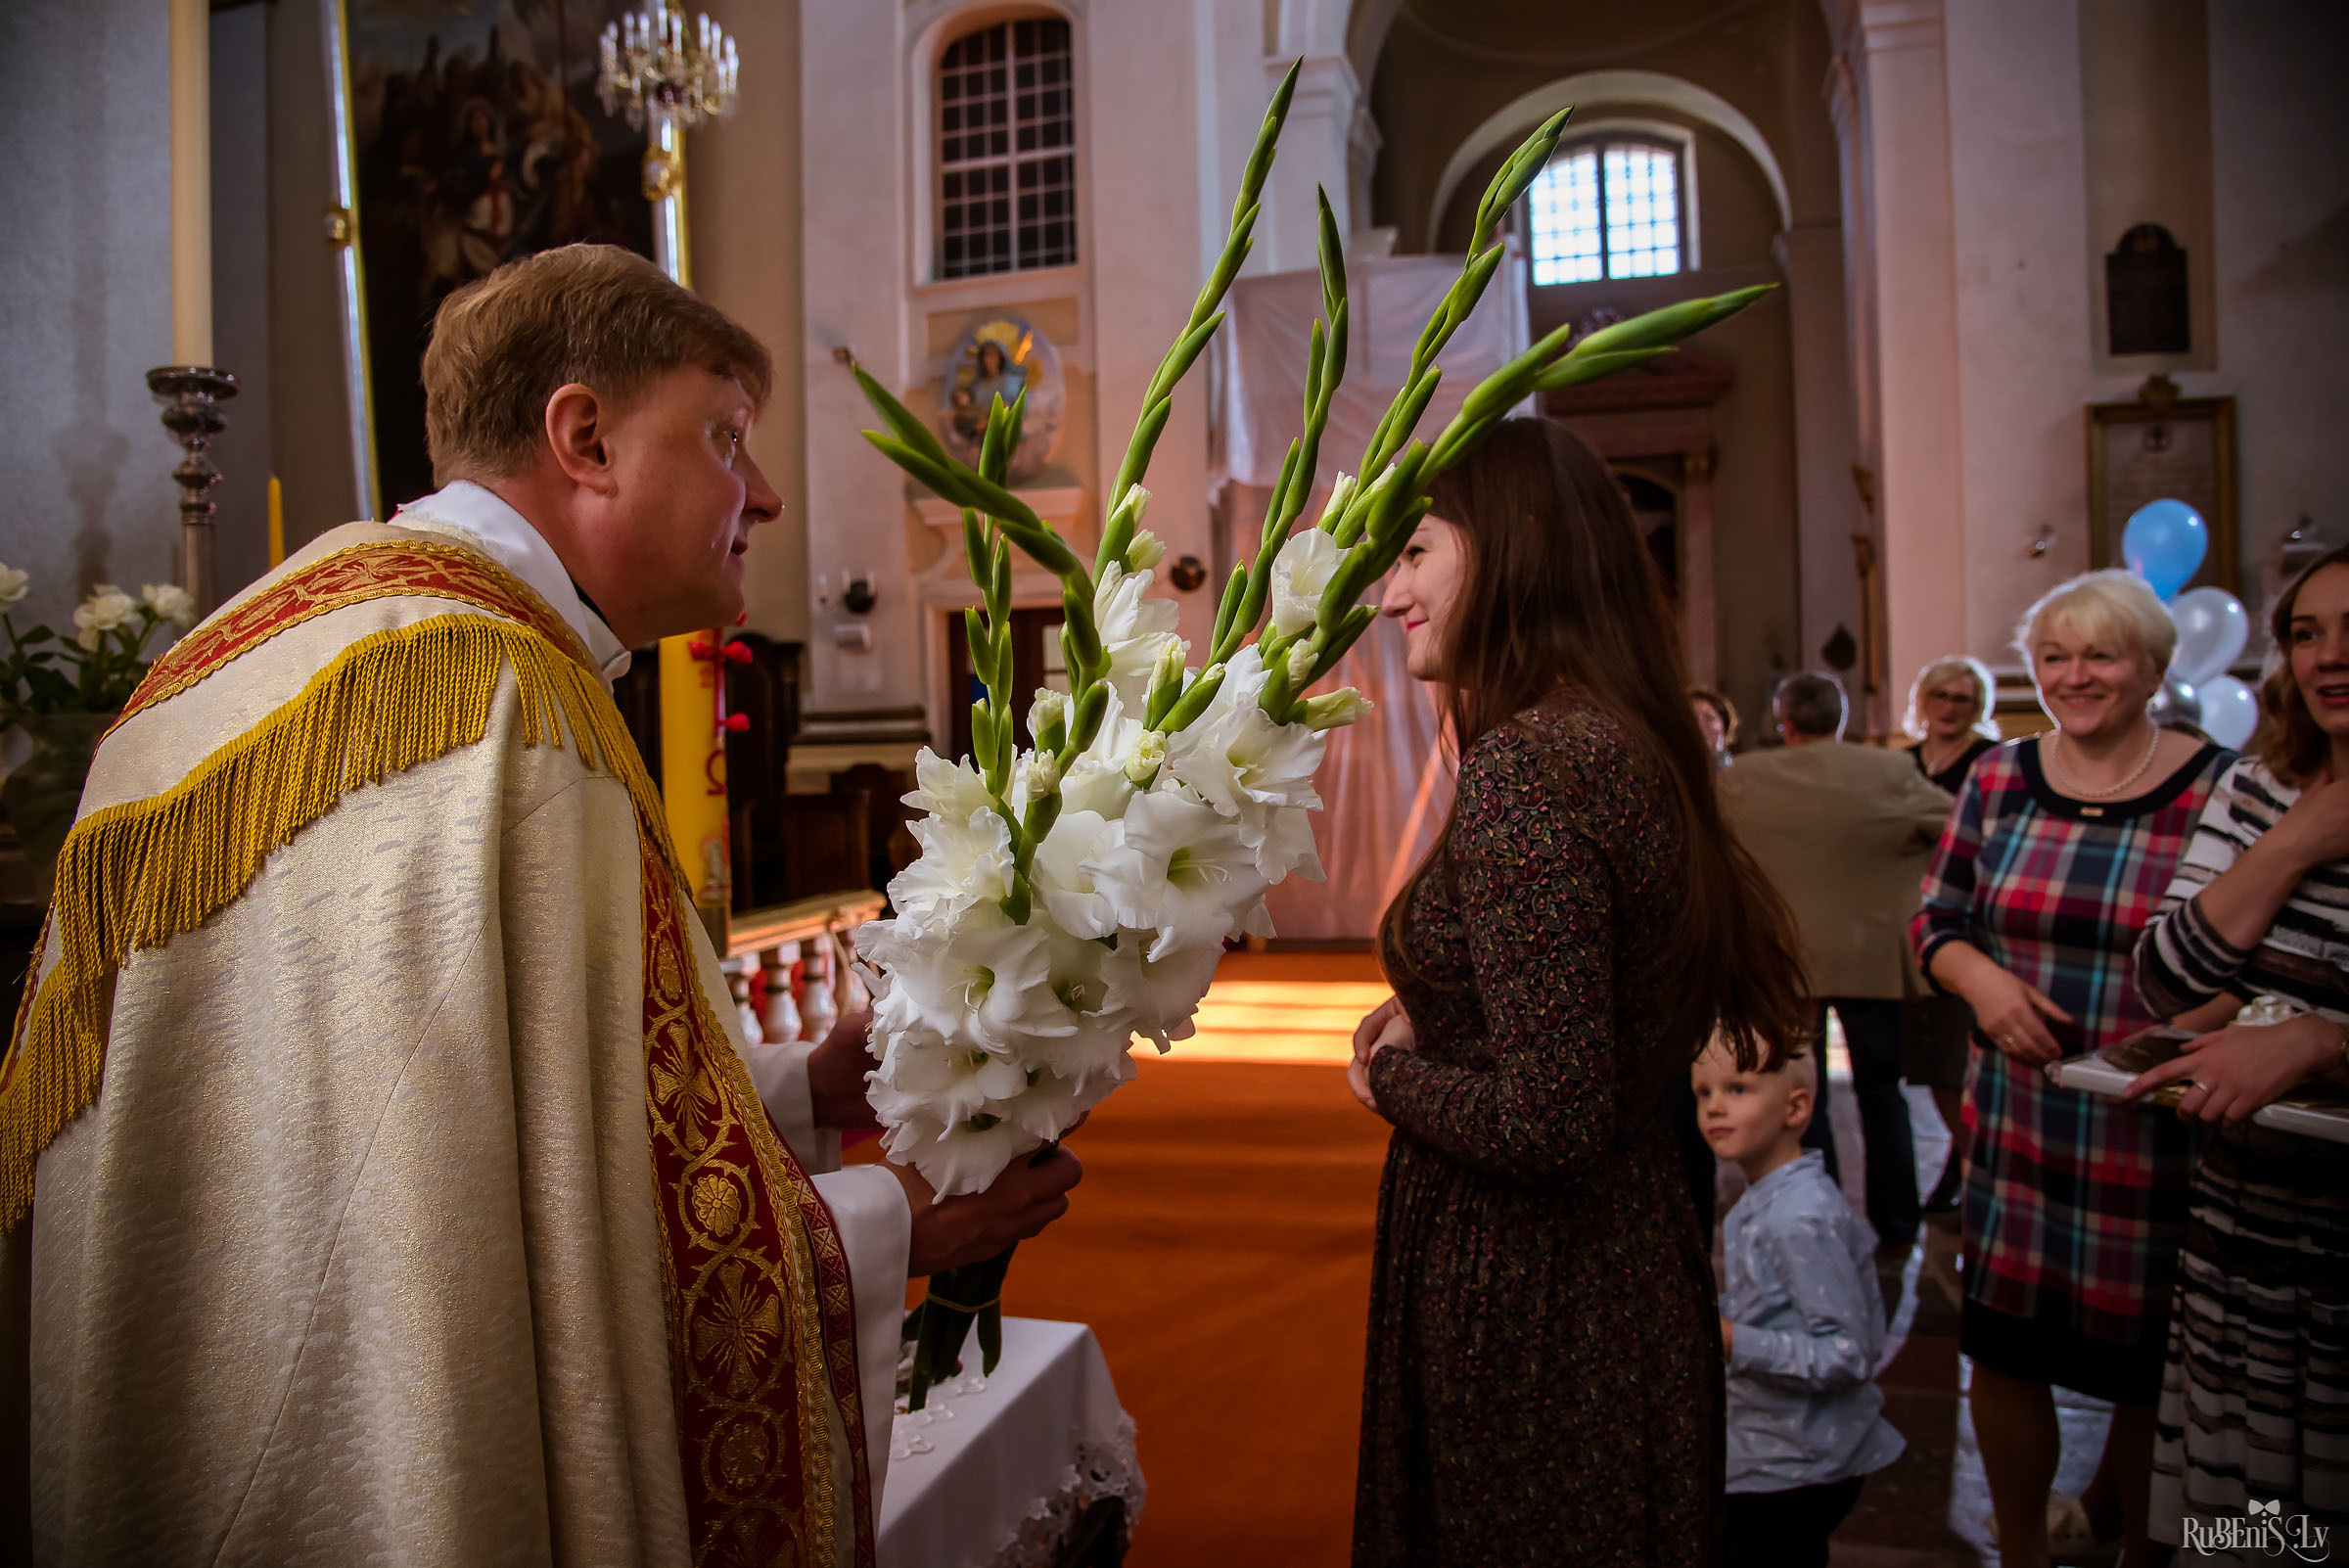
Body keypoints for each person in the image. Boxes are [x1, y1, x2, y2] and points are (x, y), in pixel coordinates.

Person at [0, 245, 1082, 1563]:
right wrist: (902, 1216)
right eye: (726, 437)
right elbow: (577, 1270)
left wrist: (805, 1088)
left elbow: (451, 1126)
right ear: (586, 439)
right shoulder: (512, 705)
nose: (771, 494)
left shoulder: (210, 673)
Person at [1345, 418, 1810, 1566]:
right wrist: (1446, 1007)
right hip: (1617, 1252)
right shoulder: (1606, 736)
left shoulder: (1529, 772)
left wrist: (1386, 1074)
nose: (1387, 591)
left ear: (1507, 547)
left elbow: (1546, 1117)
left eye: (1415, 553)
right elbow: (1600, 1000)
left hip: (1537, 1290)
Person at [1912, 569, 2236, 1568]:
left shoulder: (2222, 785)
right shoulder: (2001, 776)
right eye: (2055, 657)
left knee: (2146, 1368)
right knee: (2007, 1348)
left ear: (2152, 667)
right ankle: (2021, 1552)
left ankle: (2143, 1549)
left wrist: (2177, 1030)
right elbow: (1937, 916)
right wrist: (1986, 988)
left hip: (2154, 1117)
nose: (2074, 676)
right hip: (2019, 1112)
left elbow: (2257, 957)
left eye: (2099, 654)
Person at [2128, 544, 2349, 1550]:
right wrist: (2302, 837)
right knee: (2253, 1528)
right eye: (2307, 635)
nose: (2330, 658)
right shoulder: (2262, 793)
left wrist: (2322, 1039)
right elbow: (2168, 978)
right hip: (2247, 1231)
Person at [1719, 669, 1955, 1253]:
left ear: (1785, 722)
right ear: (1841, 719)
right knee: (1881, 1092)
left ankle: (1819, 1219)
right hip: (1868, 955)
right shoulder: (1892, 772)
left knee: (1804, 1095)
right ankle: (1898, 1228)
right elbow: (1958, 825)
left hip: (1785, 954)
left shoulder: (1743, 778)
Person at [1693, 1038, 1904, 1568]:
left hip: (1798, 1464)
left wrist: (1733, 1340)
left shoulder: (1799, 1219)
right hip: (1769, 1451)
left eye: (1737, 1089)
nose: (1714, 1105)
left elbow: (1847, 1353)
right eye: (1704, 1092)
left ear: (1796, 1108)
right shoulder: (1763, 1202)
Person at [1898, 655, 2004, 1214]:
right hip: (1914, 914)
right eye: (1941, 696)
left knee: (1960, 1058)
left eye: (1961, 699)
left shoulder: (1990, 761)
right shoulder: (1903, 762)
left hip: (1970, 919)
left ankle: (1975, 1170)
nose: (1949, 708)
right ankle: (1961, 1163)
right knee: (1932, 1065)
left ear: (1977, 707)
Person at [1691, 684, 1739, 767]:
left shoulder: (1739, 773)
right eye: (1692, 718)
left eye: (1709, 718)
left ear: (1725, 725)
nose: (1699, 724)